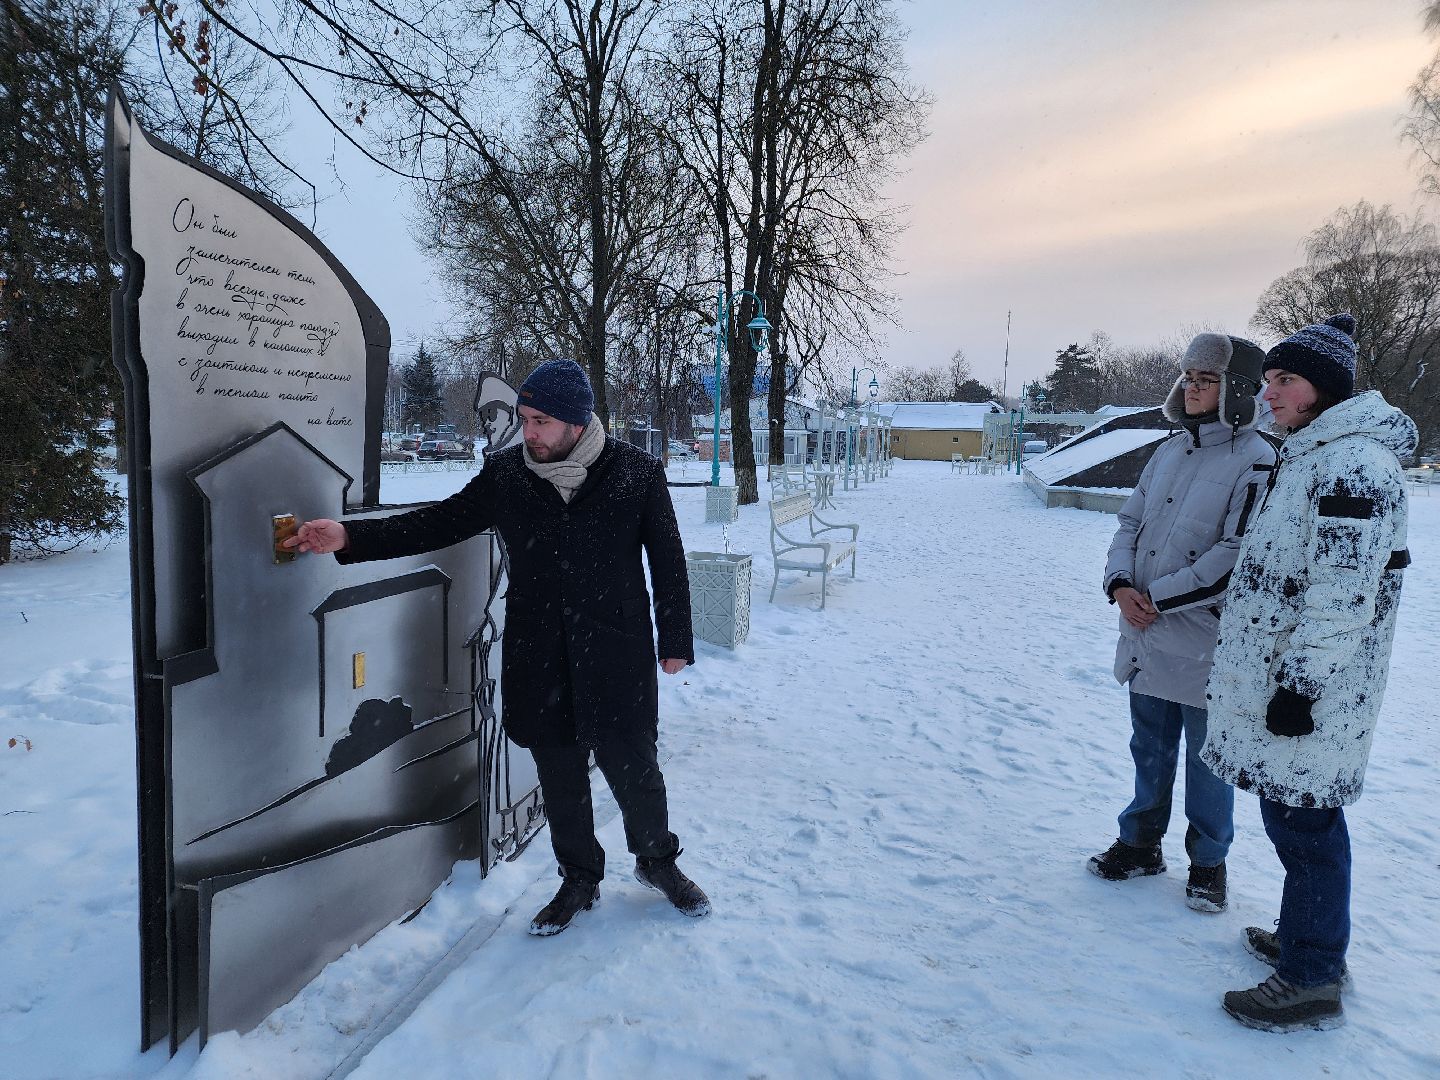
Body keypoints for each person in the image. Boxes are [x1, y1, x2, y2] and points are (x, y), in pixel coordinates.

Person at [285, 359, 709, 936]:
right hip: (540, 657)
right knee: (559, 777)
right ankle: (578, 878)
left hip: (615, 656)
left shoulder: (635, 473)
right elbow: (439, 522)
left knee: (636, 773)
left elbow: (667, 559)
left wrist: (675, 638)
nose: (529, 432)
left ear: (578, 423)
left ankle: (658, 862)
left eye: (542, 422)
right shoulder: (508, 475)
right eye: (525, 419)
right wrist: (350, 536)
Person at [1203, 314, 1416, 1032]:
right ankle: (1309, 941)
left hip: (1315, 693)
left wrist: (1299, 685)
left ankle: (1314, 972)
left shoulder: (1353, 465)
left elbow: (1341, 595)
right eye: (1266, 381)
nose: (1269, 394)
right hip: (1292, 683)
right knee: (1296, 822)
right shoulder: (1313, 453)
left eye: (1283, 380)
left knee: (1306, 827)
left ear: (1322, 389)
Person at [1089, 332, 1276, 913]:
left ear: (1236, 390)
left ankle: (1209, 863)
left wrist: (1157, 598)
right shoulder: (1168, 451)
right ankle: (1140, 842)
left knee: (1207, 761)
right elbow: (1128, 524)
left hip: (1205, 642)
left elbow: (1238, 553)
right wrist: (1122, 586)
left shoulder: (1258, 459)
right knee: (1148, 748)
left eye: (1206, 379)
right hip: (1144, 632)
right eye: (1188, 376)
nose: (1191, 387)